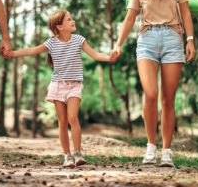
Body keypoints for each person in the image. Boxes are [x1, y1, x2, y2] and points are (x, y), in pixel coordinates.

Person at [112, 0, 195, 167]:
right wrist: (118, 44)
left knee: (168, 99)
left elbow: (186, 12)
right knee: (150, 93)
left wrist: (190, 39)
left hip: (172, 39)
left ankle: (167, 151)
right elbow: (130, 17)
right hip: (147, 39)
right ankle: (150, 147)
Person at [7, 10, 117, 168]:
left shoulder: (79, 40)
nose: (73, 21)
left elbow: (95, 54)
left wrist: (109, 57)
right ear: (59, 27)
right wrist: (13, 53)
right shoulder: (51, 43)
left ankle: (78, 153)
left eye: (72, 18)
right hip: (58, 86)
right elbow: (31, 50)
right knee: (63, 121)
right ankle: (67, 156)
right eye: (69, 20)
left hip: (74, 85)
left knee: (73, 117)